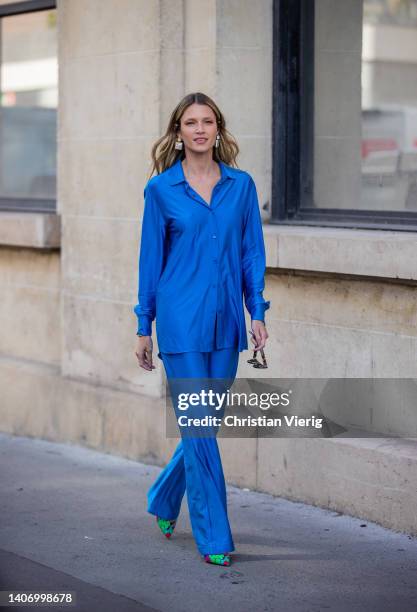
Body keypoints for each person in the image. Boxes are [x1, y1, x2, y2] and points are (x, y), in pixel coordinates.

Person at [133, 92, 270, 566]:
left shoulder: (242, 186)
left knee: (201, 427)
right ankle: (215, 539)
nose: (199, 129)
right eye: (190, 122)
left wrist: (257, 312)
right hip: (180, 324)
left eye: (207, 121)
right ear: (178, 133)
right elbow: (150, 262)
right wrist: (142, 326)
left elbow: (252, 252)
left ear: (218, 129)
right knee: (199, 426)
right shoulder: (161, 191)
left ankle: (164, 497)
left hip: (227, 321)